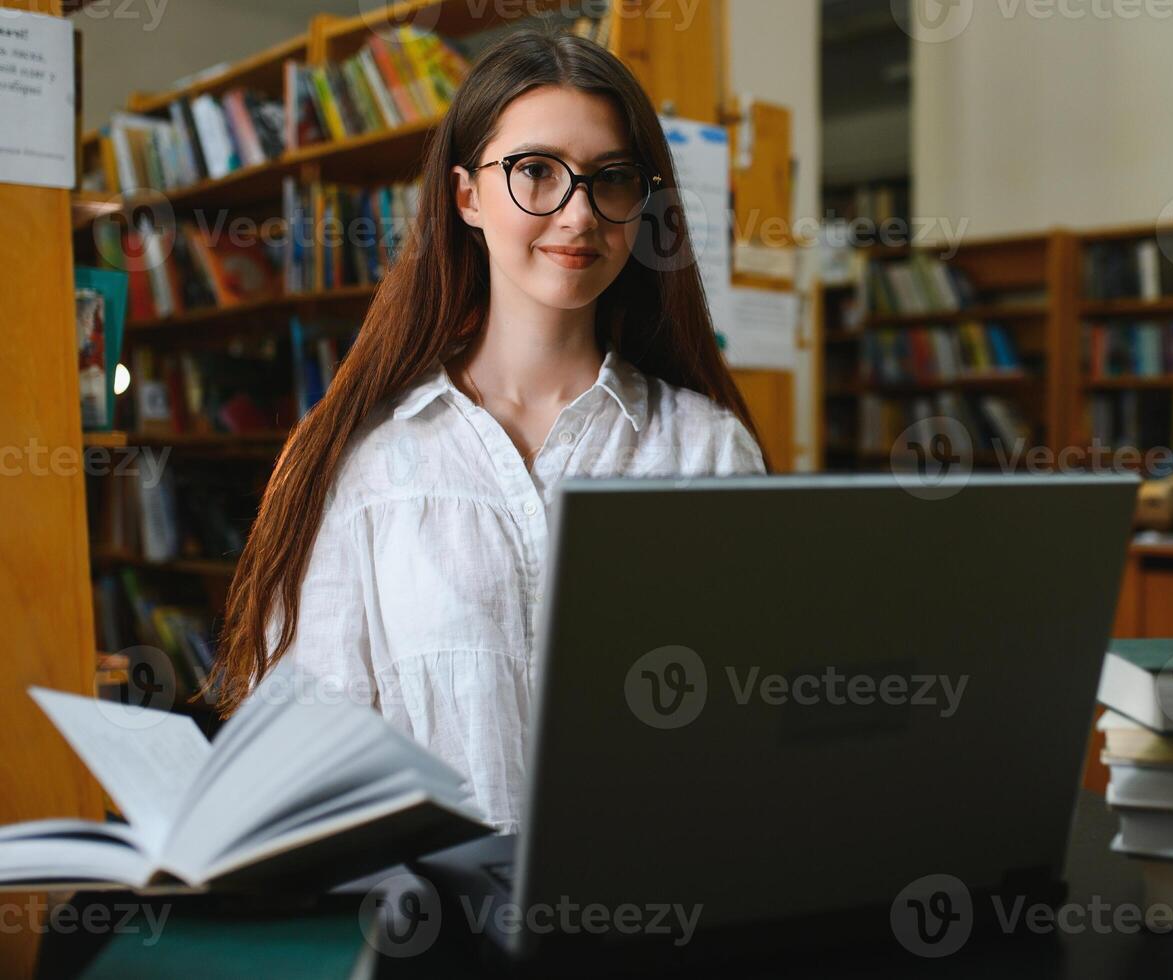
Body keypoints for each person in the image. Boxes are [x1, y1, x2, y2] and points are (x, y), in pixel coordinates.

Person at [206, 27, 769, 831]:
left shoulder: (706, 449)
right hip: (427, 930)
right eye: (536, 171)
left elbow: (751, 733)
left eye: (611, 179)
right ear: (466, 195)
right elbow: (302, 756)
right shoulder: (360, 459)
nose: (577, 213)